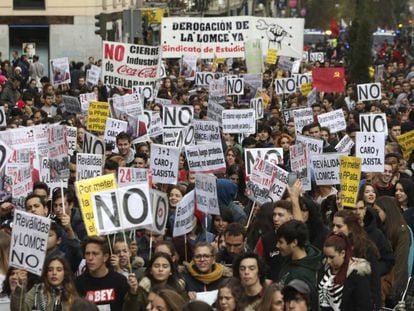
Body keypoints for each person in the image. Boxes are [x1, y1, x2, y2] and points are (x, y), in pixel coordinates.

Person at [318, 233, 373, 310]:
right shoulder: (323, 269)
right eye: (326, 257)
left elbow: (364, 306)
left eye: (331, 257)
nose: (328, 261)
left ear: (342, 253)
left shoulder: (357, 274)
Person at [276, 220, 321, 311]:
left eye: (281, 242)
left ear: (294, 243)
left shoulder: (303, 275)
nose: (277, 245)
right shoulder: (290, 258)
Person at [374, 196, 411, 306]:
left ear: (387, 210)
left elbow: (400, 262)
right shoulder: (381, 228)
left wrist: (393, 290)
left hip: (392, 287)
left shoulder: (401, 231)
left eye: (378, 211)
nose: (376, 214)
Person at [75, 236, 130, 310]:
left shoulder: (120, 281)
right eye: (87, 254)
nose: (90, 258)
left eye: (95, 254)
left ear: (105, 257)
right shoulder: (78, 283)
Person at [11, 256, 78, 311]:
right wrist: (20, 288)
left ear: (65, 273)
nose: (54, 273)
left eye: (59, 270)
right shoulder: (37, 290)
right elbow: (18, 309)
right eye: (50, 270)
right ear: (46, 274)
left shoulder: (71, 293)